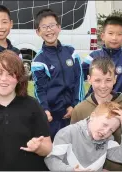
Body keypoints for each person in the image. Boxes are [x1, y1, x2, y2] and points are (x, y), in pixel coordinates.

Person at [70, 57, 122, 171]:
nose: (103, 86)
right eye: (98, 80)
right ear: (89, 79)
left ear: (115, 79)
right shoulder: (79, 110)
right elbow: (73, 144)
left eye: (108, 80)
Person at [31, 9, 84, 140]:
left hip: (73, 112)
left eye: (52, 25)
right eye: (44, 27)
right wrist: (45, 110)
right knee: (54, 150)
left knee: (73, 148)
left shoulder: (71, 52)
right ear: (38, 32)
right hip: (53, 116)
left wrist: (75, 105)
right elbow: (40, 89)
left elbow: (79, 80)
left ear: (59, 27)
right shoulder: (39, 60)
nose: (49, 30)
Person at [46, 102, 122, 171]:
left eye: (111, 130)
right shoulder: (68, 133)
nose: (106, 131)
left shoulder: (107, 140)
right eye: (104, 124)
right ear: (92, 116)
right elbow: (51, 160)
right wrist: (70, 170)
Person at [82, 16, 122, 96]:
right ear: (103, 36)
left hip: (115, 104)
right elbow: (78, 77)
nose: (114, 38)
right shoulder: (93, 56)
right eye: (110, 33)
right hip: (94, 104)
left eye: (119, 34)